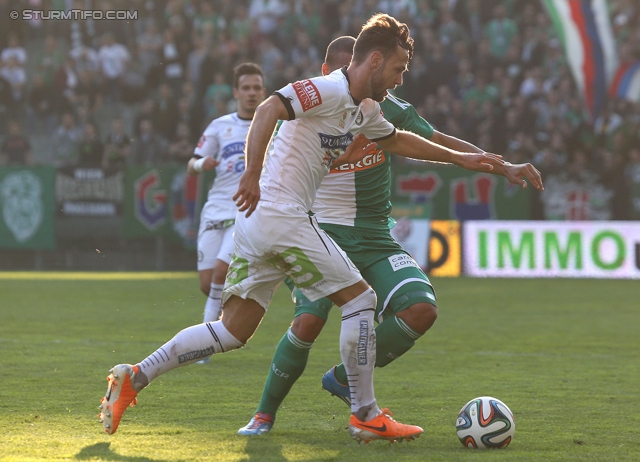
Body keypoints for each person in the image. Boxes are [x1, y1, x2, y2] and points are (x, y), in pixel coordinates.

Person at [98, 13, 510, 442]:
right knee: (361, 300)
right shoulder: (329, 89)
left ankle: (135, 376)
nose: (401, 79)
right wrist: (251, 174)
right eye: (398, 68)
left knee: (232, 330)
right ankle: (365, 414)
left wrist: (462, 159)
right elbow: (268, 108)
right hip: (281, 213)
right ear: (373, 60)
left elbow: (396, 139)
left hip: (258, 225)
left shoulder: (363, 107)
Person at [238, 36, 544, 436]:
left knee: (421, 309)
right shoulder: (310, 106)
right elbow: (276, 138)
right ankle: (263, 415)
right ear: (330, 73)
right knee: (309, 320)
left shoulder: (384, 108)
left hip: (374, 235)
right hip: (321, 230)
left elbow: (437, 142)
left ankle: (346, 381)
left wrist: (500, 164)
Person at [188, 63, 266, 333]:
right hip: (215, 207)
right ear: (236, 92)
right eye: (246, 88)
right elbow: (191, 163)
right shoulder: (220, 126)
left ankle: (205, 340)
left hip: (247, 208)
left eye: (257, 87)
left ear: (264, 91)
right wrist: (202, 164)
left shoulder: (275, 127)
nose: (251, 93)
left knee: (220, 273)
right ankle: (227, 324)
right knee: (207, 283)